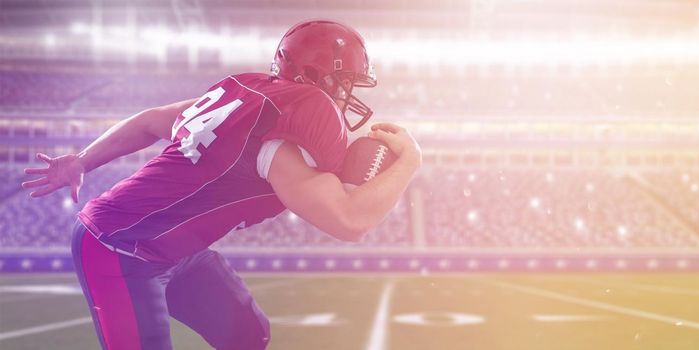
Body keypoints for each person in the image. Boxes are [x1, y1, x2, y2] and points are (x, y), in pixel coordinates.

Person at [21, 20, 421, 350]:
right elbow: (349, 221)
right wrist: (409, 162)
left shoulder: (248, 99)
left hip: (173, 248)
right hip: (117, 247)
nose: (348, 94)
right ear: (318, 75)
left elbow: (149, 120)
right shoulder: (278, 143)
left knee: (247, 336)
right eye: (345, 81)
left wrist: (82, 160)